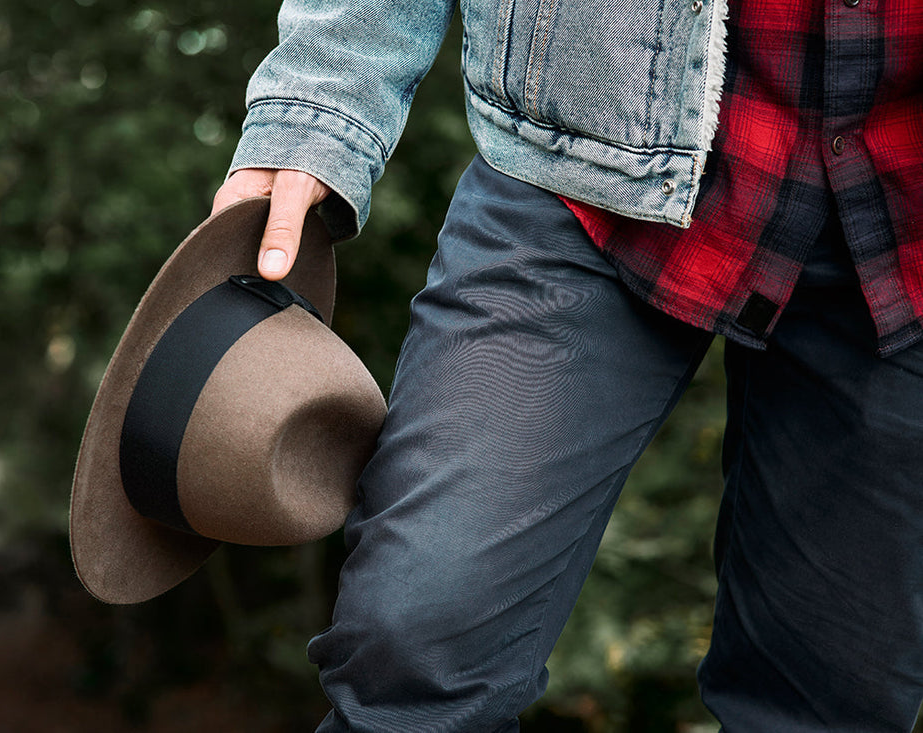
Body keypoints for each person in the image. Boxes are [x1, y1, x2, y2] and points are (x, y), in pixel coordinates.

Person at [212, 0, 923, 729]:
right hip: (579, 164)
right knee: (417, 646)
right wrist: (315, 111)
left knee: (831, 702)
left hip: (905, 230)